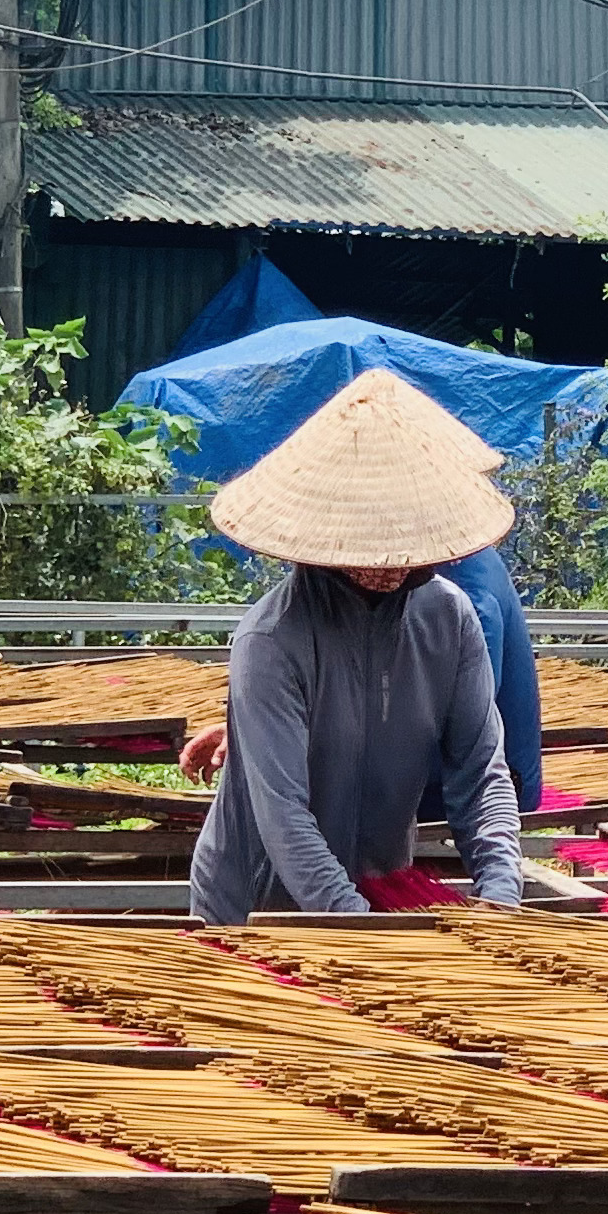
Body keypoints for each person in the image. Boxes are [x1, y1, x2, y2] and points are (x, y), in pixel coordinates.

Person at [183, 369, 524, 926]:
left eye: (401, 541)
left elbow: (480, 772)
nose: (387, 561)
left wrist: (502, 899)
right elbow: (284, 817)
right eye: (369, 542)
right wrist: (363, 927)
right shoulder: (271, 641)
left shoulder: (449, 620)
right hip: (259, 907)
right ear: (327, 532)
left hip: (378, 889)